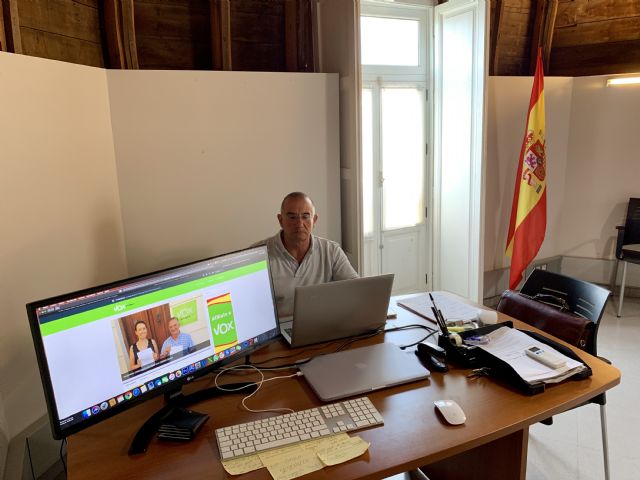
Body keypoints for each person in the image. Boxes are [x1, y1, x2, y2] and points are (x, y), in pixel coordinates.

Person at [255, 191, 358, 317]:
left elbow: (356, 290)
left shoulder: (331, 251)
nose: (299, 224)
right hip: (279, 327)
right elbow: (249, 305)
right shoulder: (257, 255)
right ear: (280, 220)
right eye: (292, 217)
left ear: (314, 220)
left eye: (305, 216)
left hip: (322, 322)